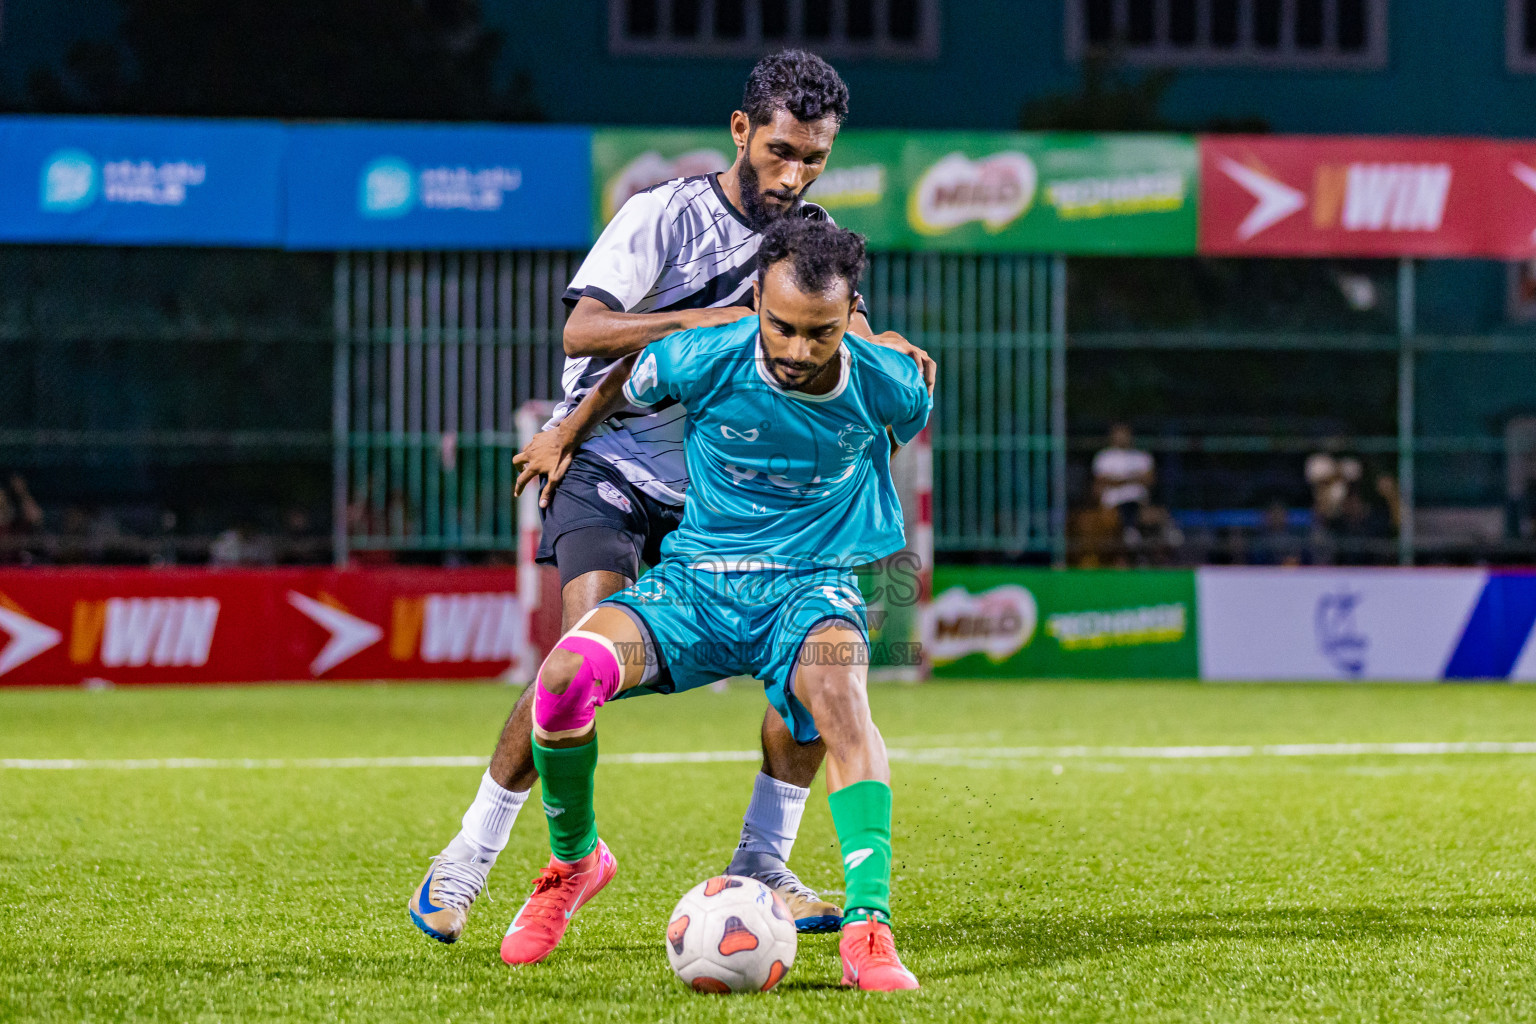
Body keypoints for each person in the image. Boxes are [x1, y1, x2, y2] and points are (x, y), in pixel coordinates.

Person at [408, 50, 935, 946]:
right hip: (612, 463)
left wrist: (893, 345)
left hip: (712, 489)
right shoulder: (663, 215)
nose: (795, 173)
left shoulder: (811, 234)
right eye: (780, 151)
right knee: (576, 660)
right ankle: (476, 849)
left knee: (808, 664)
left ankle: (765, 858)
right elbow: (584, 328)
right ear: (741, 132)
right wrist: (596, 405)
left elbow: (844, 326)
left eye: (814, 156)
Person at [499, 217, 928, 989]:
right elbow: (626, 379)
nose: (798, 352)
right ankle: (574, 862)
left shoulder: (888, 379)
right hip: (696, 585)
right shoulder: (703, 351)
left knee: (840, 696)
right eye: (783, 328)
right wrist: (566, 432)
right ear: (756, 296)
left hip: (810, 587)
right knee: (563, 681)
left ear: (851, 315)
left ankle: (869, 928)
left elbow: (899, 425)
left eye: (822, 334)